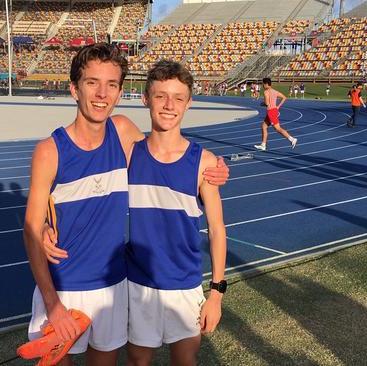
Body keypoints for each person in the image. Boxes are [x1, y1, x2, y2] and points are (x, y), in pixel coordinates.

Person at [23, 44, 229, 366]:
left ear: (121, 91)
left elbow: (166, 152)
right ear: (74, 88)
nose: (102, 93)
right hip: (65, 285)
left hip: (115, 285)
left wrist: (216, 167)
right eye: (92, 82)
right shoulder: (50, 151)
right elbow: (31, 228)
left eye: (112, 85)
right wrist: (52, 303)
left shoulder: (121, 133)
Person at [125, 60, 227, 366]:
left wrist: (216, 295)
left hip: (184, 285)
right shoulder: (129, 152)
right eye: (160, 96)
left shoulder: (204, 163)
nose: (169, 105)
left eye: (178, 98)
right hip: (137, 283)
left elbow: (218, 229)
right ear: (145, 99)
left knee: (184, 361)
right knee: (137, 361)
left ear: (189, 103)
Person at [254, 77, 297, 151]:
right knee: (264, 126)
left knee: (277, 128)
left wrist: (262, 104)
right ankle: (263, 145)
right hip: (273, 110)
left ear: (266, 84)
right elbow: (284, 97)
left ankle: (292, 139)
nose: (263, 86)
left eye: (263, 84)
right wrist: (278, 106)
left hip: (271, 112)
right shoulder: (275, 91)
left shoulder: (266, 92)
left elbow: (267, 103)